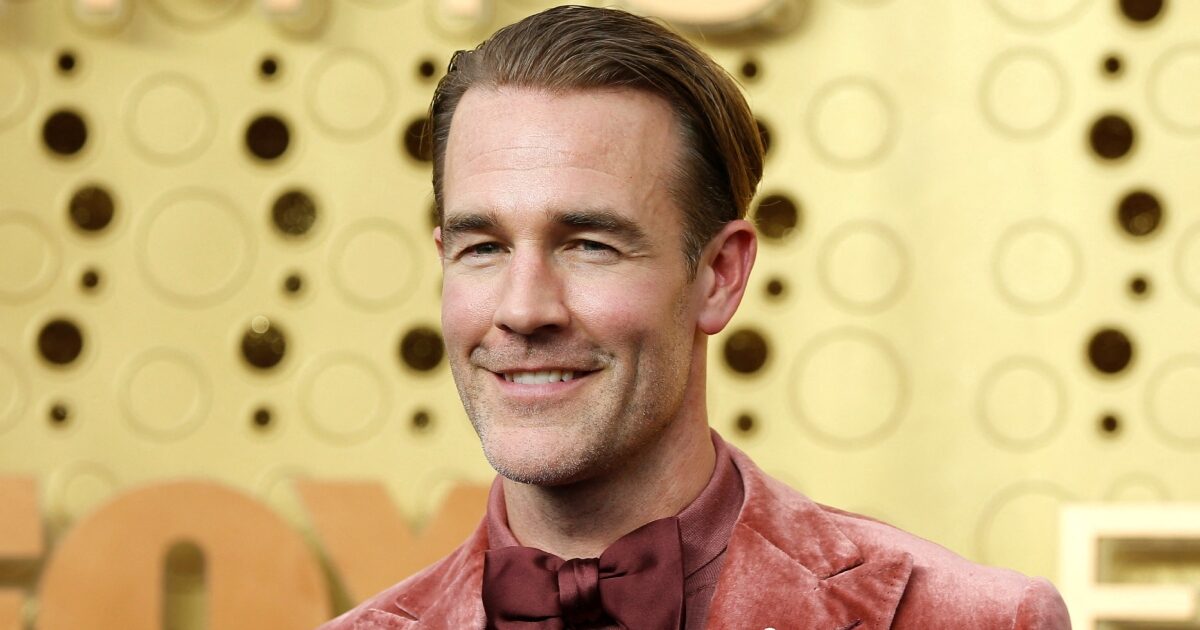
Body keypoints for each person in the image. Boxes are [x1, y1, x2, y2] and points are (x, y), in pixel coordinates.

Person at [320, 5, 1071, 629]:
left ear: (719, 276)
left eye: (588, 245)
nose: (522, 309)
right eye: (483, 248)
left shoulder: (979, 620)